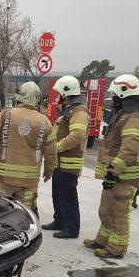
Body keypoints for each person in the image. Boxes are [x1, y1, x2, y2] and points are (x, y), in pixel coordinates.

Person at [84, 74, 139, 259]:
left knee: (119, 213)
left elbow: (129, 149)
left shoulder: (134, 118)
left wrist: (113, 172)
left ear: (124, 95)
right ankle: (102, 240)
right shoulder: (125, 115)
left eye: (115, 97)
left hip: (123, 177)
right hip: (116, 175)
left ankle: (116, 249)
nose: (113, 100)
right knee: (106, 210)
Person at [0, 81, 57, 215]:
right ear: (37, 99)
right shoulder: (45, 121)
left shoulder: (5, 115)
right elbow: (51, 153)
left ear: (19, 96)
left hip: (4, 178)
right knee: (27, 214)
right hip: (29, 180)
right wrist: (49, 170)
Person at [41, 76, 90, 239]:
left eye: (60, 93)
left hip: (69, 165)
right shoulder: (69, 110)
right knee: (58, 195)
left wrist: (56, 147)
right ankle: (59, 221)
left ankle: (71, 228)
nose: (58, 96)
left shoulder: (79, 111)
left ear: (66, 93)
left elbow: (77, 135)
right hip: (60, 163)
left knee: (68, 197)